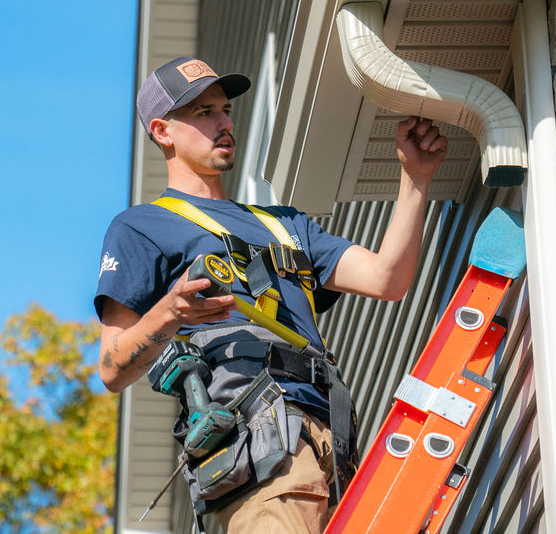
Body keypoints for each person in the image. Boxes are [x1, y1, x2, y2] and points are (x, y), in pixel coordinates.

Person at [94, 56, 447, 532]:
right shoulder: (143, 228)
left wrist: (416, 178)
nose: (224, 123)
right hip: (259, 441)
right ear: (163, 131)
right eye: (204, 113)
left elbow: (388, 279)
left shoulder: (284, 225)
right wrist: (171, 310)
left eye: (225, 109)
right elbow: (112, 367)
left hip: (334, 437)